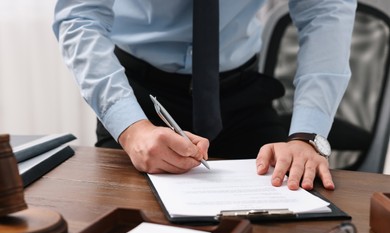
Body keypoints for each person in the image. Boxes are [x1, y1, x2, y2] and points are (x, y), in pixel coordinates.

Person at [52, 0, 357, 191]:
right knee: (124, 230)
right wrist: (130, 128)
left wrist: (306, 136)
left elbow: (326, 11)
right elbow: (79, 17)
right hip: (139, 99)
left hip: (241, 95)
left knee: (289, 212)